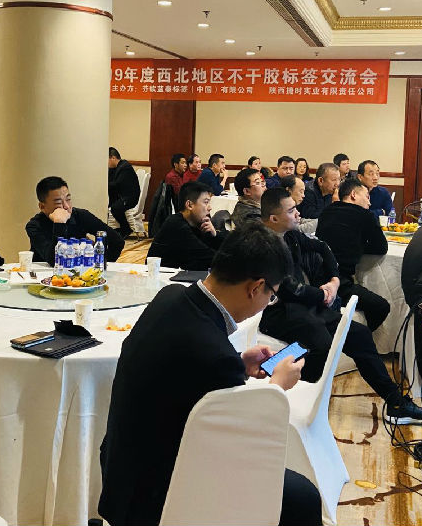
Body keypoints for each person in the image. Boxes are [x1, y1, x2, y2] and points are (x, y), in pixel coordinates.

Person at [99, 224, 321, 526]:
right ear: (255, 288)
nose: (267, 303)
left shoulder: (170, 296)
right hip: (159, 496)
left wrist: (239, 362)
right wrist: (277, 386)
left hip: (122, 474)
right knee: (304, 498)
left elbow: (185, 371)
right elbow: (245, 437)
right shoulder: (216, 357)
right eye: (271, 296)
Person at [258, 188, 422, 425]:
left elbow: (323, 248)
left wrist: (333, 281)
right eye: (291, 210)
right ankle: (287, 390)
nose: (298, 213)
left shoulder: (290, 235)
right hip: (276, 311)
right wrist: (322, 294)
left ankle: (396, 403)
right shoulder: (263, 244)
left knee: (359, 334)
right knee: (322, 343)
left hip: (302, 306)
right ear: (274, 218)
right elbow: (288, 288)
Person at [316, 178, 391, 331]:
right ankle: (357, 337)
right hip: (339, 282)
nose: (369, 203)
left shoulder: (326, 211)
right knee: (382, 306)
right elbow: (381, 247)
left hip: (315, 277)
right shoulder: (364, 215)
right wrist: (360, 245)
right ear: (353, 195)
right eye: (367, 197)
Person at [25, 176, 123, 265]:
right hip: (43, 275)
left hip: (80, 275)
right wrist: (59, 223)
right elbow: (53, 261)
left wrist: (101, 264)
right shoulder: (34, 226)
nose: (66, 206)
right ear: (42, 206)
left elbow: (116, 240)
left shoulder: (81, 216)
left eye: (68, 199)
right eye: (58, 202)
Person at [148, 182, 228, 270]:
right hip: (161, 276)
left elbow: (219, 250)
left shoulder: (197, 223)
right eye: (206, 202)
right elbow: (208, 257)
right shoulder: (176, 225)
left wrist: (214, 234)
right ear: (189, 205)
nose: (210, 208)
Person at [107, 147, 142, 238]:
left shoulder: (125, 167)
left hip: (130, 197)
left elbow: (117, 184)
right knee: (110, 203)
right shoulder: (115, 168)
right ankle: (115, 229)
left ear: (113, 158)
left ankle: (126, 229)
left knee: (115, 208)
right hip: (122, 196)